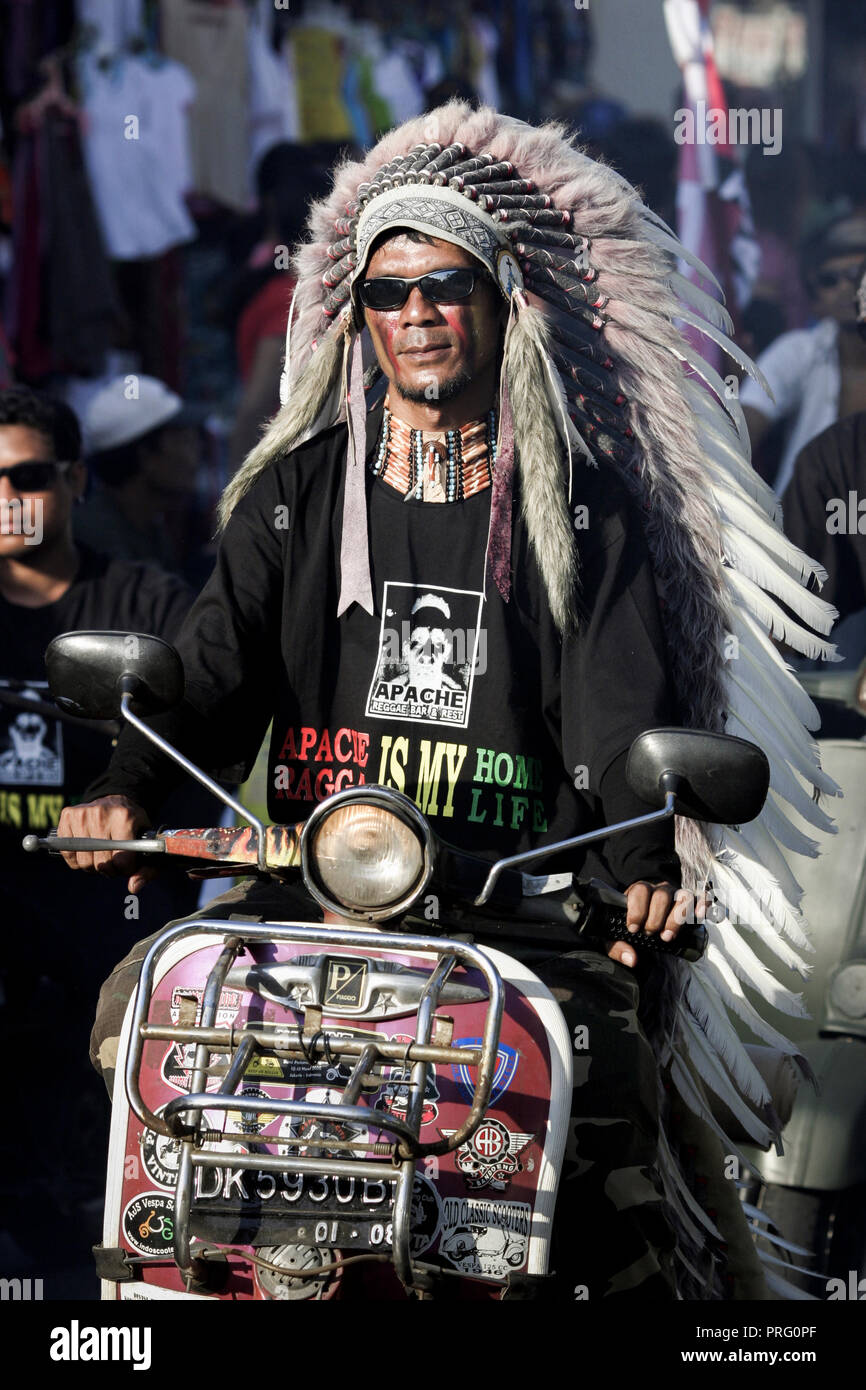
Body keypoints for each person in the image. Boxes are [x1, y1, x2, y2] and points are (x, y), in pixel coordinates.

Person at [55, 104, 833, 1300]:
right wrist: (125, 786)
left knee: (602, 1136)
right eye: (387, 291)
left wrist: (640, 863)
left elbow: (619, 726)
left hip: (510, 916)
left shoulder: (583, 508)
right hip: (303, 901)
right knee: (143, 1027)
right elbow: (208, 679)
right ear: (358, 315)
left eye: (443, 284)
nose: (413, 314)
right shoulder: (290, 494)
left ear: (500, 295)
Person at [0, 385, 215, 1279]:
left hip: (109, 930)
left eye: (28, 475)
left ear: (78, 480)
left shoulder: (147, 603)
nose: (6, 497)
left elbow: (203, 742)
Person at [740, 212, 866, 491]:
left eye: (856, 274)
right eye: (829, 280)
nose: (845, 288)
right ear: (817, 299)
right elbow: (744, 426)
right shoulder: (798, 351)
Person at [75, 374, 201, 577]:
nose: (195, 456)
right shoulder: (97, 541)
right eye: (183, 441)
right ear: (146, 457)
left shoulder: (147, 525)